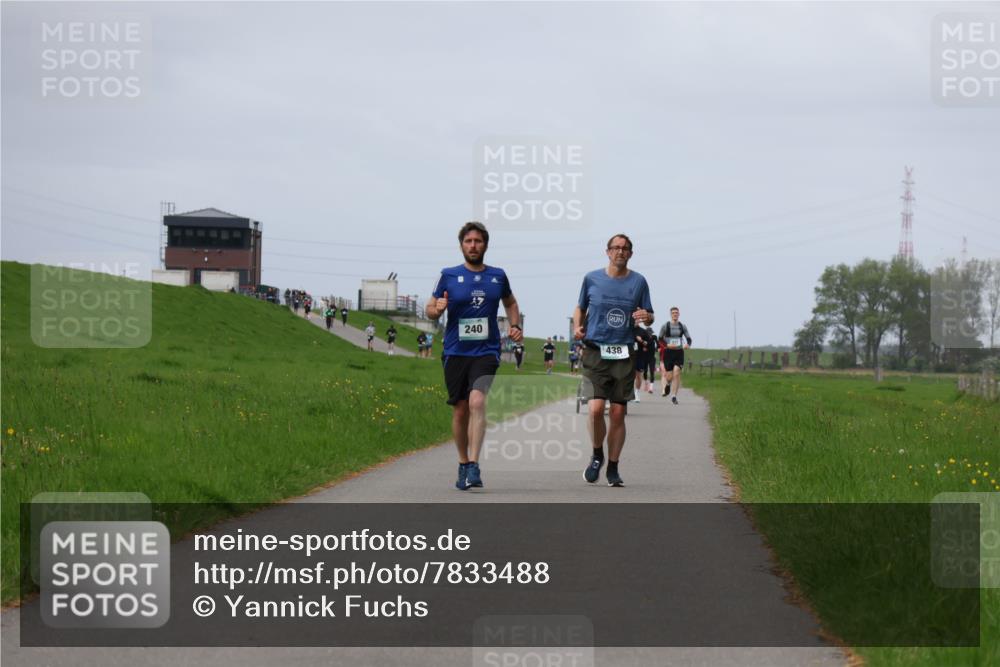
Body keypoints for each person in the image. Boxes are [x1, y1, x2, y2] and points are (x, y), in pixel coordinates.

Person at [427, 221, 522, 491]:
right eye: (468, 241)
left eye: (478, 241)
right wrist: (438, 309)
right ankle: (462, 462)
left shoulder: (498, 276)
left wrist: (515, 325)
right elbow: (430, 309)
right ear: (461, 246)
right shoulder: (448, 275)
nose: (473, 246)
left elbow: (511, 302)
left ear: (485, 245)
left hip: (486, 351)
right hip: (455, 350)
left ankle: (474, 464)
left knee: (477, 402)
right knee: (460, 410)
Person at [573, 233, 653, 488]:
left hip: (623, 353)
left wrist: (646, 317)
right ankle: (597, 454)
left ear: (630, 254)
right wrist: (577, 327)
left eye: (625, 248)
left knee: (618, 412)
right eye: (616, 247)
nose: (620, 251)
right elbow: (580, 307)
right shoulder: (592, 278)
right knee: (596, 409)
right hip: (595, 350)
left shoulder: (639, 282)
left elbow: (649, 315)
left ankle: (613, 467)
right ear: (607, 252)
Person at [658, 307, 692, 404]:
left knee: (676, 373)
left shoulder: (682, 326)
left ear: (679, 314)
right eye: (673, 313)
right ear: (670, 314)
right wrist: (667, 345)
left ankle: (674, 396)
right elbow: (660, 339)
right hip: (668, 353)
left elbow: (689, 339)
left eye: (676, 313)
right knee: (669, 376)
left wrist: (688, 344)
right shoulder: (665, 326)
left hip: (679, 352)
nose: (675, 314)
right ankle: (668, 384)